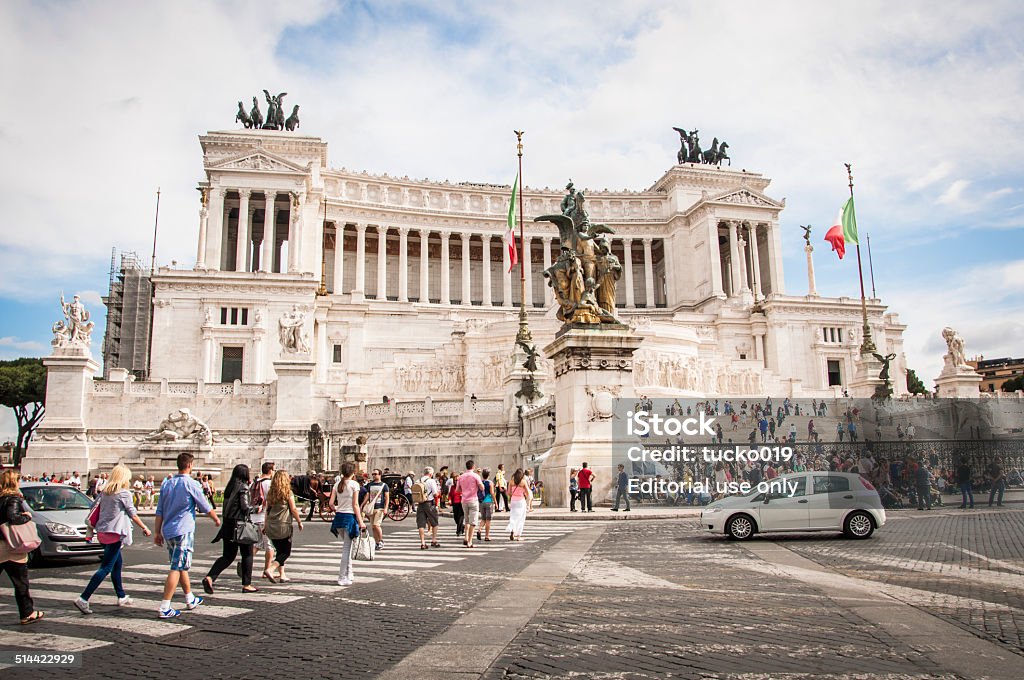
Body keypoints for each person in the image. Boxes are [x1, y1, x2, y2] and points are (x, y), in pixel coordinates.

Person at [75, 464, 152, 614]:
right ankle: (83, 598)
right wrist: (144, 527)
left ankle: (121, 596)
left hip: (102, 532)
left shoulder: (105, 492)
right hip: (115, 533)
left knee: (117, 564)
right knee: (105, 568)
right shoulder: (123, 493)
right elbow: (132, 513)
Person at [154, 452, 219, 619]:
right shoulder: (191, 484)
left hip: (168, 531)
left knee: (180, 564)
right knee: (176, 567)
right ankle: (165, 606)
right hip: (183, 530)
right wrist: (216, 519)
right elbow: (204, 505)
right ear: (190, 465)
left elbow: (159, 510)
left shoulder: (167, 484)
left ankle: (190, 598)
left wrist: (157, 531)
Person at [201, 464, 257, 595]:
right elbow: (245, 507)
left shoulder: (229, 487)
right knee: (247, 554)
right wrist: (256, 509)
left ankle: (210, 577)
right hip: (240, 526)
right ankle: (247, 584)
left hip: (228, 525)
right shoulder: (243, 487)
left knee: (227, 556)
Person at [0, 470, 43, 624]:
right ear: (14, 482)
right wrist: (27, 516)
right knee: (20, 582)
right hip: (11, 546)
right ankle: (27, 613)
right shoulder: (13, 499)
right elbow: (13, 517)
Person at [329, 461, 365, 586]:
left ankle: (349, 573)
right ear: (353, 472)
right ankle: (342, 577)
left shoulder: (337, 485)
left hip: (339, 518)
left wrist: (338, 509)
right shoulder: (354, 484)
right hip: (349, 518)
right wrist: (361, 522)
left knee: (348, 548)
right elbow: (355, 505)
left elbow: (330, 503)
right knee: (346, 549)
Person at [264, 470, 303, 583]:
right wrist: (299, 521)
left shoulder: (271, 493)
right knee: (285, 552)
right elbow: (294, 509)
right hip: (283, 526)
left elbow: (267, 510)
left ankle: (282, 574)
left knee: (280, 551)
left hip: (271, 526)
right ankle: (271, 569)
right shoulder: (287, 493)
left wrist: (265, 525)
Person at [249, 462, 276, 581]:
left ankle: (246, 564)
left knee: (257, 544)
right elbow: (272, 502)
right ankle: (267, 570)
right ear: (270, 471)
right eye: (274, 470)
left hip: (253, 517)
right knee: (269, 546)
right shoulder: (270, 484)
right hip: (264, 518)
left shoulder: (254, 483)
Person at [359, 469, 389, 551]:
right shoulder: (370, 485)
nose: (374, 475)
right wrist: (362, 504)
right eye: (373, 474)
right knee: (373, 527)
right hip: (372, 508)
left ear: (380, 475)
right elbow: (367, 495)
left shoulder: (384, 485)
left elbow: (387, 497)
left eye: (375, 474)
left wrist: (386, 508)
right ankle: (377, 542)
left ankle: (381, 540)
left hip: (380, 507)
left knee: (376, 525)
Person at [457, 460, 484, 548]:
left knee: (467, 519)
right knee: (473, 522)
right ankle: (470, 541)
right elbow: (481, 487)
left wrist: (464, 491)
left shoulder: (461, 477)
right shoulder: (476, 476)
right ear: (473, 466)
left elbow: (457, 490)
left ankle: (465, 537)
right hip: (473, 500)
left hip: (464, 500)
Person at [416, 466, 441, 549]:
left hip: (420, 504)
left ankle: (423, 542)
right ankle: (434, 540)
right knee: (434, 522)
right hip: (429, 503)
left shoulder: (418, 481)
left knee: (421, 524)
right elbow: (435, 494)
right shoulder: (431, 481)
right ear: (431, 474)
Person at [505, 468, 532, 540]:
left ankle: (512, 531)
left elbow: (509, 493)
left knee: (513, 516)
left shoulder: (511, 481)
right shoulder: (523, 482)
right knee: (521, 518)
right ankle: (519, 536)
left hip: (513, 501)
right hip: (521, 501)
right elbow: (527, 492)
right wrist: (524, 494)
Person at [478, 468, 495, 542]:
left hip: (481, 502)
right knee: (488, 520)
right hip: (489, 502)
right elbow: (492, 493)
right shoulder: (490, 483)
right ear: (488, 475)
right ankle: (487, 536)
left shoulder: (480, 482)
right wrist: (496, 502)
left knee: (483, 519)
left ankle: (479, 529)